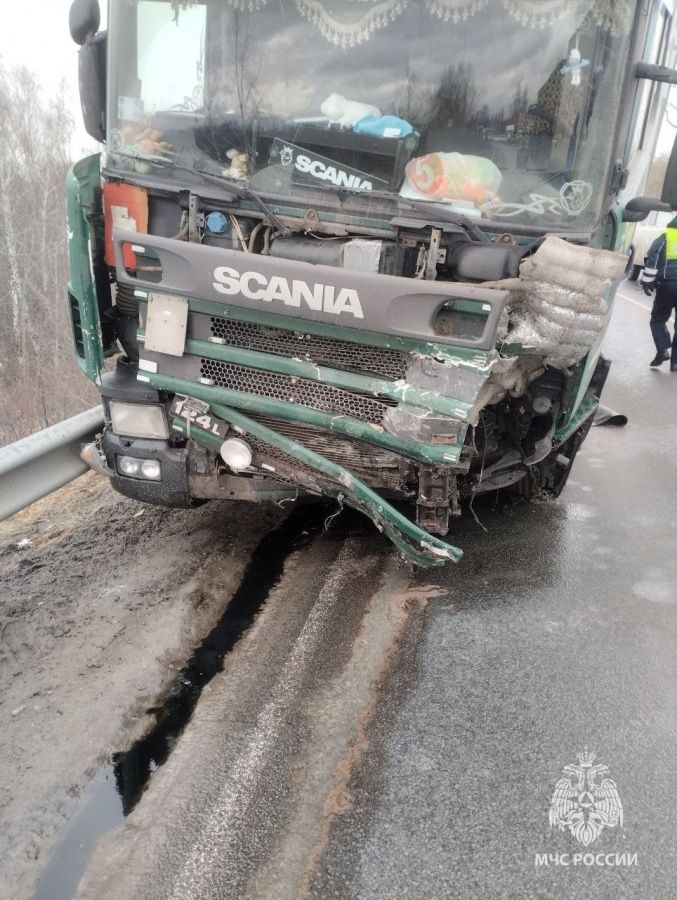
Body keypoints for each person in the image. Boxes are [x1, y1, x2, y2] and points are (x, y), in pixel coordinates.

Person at [641, 216, 677, 370]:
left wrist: (647, 282)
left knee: (657, 319)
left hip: (667, 285)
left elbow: (653, 260)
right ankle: (675, 363)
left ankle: (662, 349)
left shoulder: (665, 237)